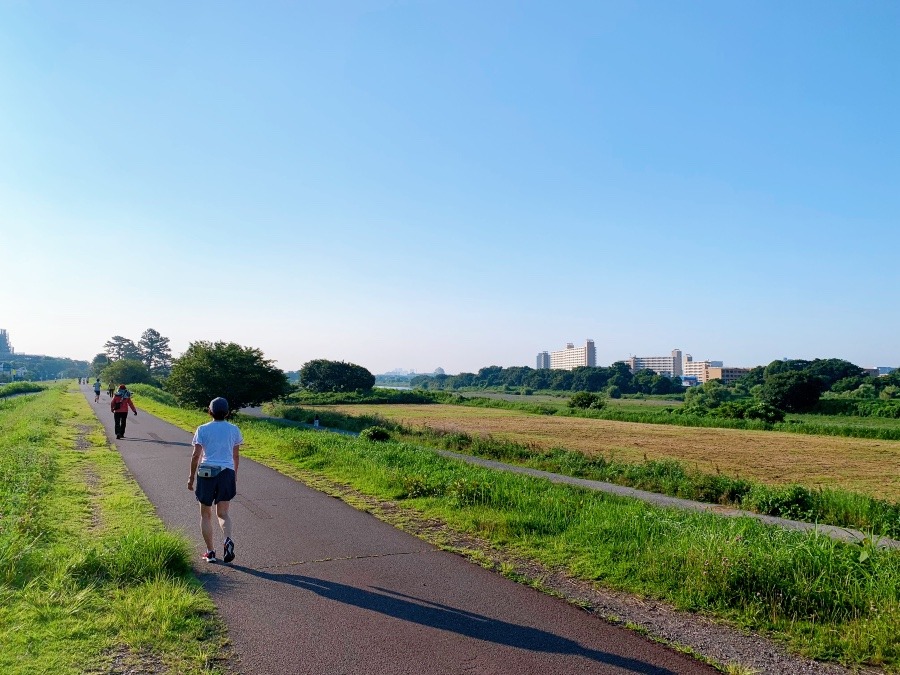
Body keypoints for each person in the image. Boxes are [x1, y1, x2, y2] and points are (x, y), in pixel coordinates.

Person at [187, 397, 243, 563]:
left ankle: (210, 552)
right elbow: (236, 456)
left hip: (206, 472)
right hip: (227, 472)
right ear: (227, 412)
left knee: (205, 514)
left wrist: (191, 477)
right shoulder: (234, 429)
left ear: (209, 411)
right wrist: (234, 474)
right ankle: (227, 539)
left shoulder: (202, 429)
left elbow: (196, 455)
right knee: (223, 513)